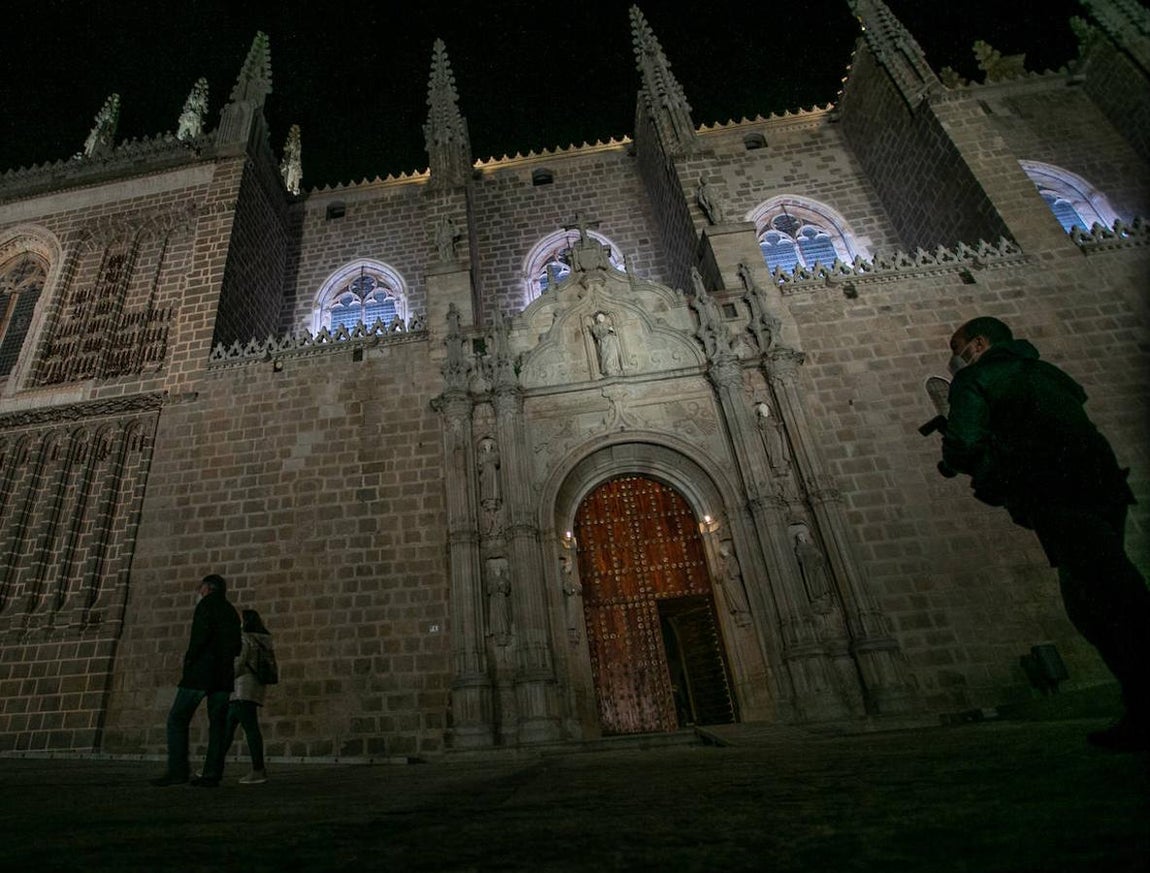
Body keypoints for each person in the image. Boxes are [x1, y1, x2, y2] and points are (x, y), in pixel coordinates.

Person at [939, 316, 1150, 752]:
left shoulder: (976, 380)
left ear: (979, 344)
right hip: (1104, 485)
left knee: (1100, 601)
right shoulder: (1046, 372)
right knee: (1108, 586)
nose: (955, 358)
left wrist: (965, 462)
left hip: (1053, 491)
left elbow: (963, 441)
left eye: (958, 349)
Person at [150, 574, 242, 786]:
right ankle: (212, 774)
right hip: (223, 676)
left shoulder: (206, 606)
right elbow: (237, 646)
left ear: (208, 588)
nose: (199, 592)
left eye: (201, 588)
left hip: (200, 674)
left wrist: (190, 660)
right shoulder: (230, 611)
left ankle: (178, 771)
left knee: (177, 718)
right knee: (217, 725)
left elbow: (199, 637)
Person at [222, 609, 275, 785]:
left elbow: (239, 662)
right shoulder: (263, 640)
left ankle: (258, 770)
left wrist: (224, 679)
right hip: (253, 689)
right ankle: (213, 765)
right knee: (227, 729)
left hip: (241, 689)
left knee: (249, 729)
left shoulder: (244, 638)